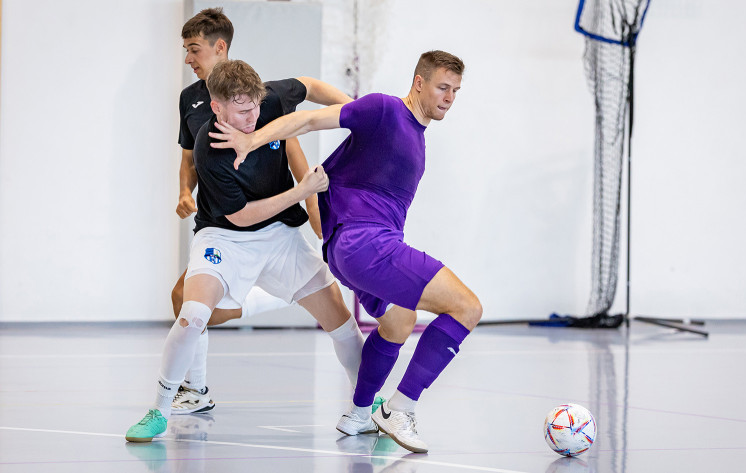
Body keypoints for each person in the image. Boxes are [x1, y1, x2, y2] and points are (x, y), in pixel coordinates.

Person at [210, 50, 482, 454]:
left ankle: (358, 414)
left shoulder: (417, 139)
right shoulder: (385, 110)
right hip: (364, 243)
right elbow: (307, 118)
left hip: (350, 249)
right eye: (442, 87)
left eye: (456, 91)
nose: (449, 97)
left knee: (399, 319)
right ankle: (399, 408)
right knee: (467, 307)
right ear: (419, 82)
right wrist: (252, 138)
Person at [125, 59, 366, 442]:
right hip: (225, 237)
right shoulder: (209, 147)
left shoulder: (268, 100)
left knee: (343, 325)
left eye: (255, 105)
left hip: (281, 237)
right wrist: (300, 193)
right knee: (191, 315)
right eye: (241, 109)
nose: (253, 115)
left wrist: (360, 112)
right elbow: (241, 216)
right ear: (216, 106)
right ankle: (160, 409)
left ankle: (367, 405)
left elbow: (311, 86)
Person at [168, 7, 346, 415]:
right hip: (224, 225)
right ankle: (195, 388)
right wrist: (183, 191)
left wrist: (311, 201)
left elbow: (293, 142)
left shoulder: (252, 94)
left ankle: (264, 301)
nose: (188, 59)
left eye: (194, 49)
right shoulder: (190, 99)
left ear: (220, 47)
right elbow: (189, 159)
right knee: (184, 300)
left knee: (191, 302)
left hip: (271, 223)